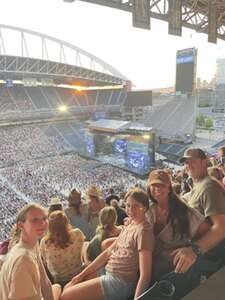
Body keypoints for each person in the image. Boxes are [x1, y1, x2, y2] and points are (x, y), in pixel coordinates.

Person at [61, 188, 154, 300]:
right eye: (128, 206)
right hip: (109, 272)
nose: (130, 210)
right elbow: (107, 253)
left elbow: (145, 276)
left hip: (119, 283)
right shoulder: (130, 224)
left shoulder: (144, 231)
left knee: (66, 296)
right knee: (68, 286)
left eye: (136, 206)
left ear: (144, 207)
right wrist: (80, 275)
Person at [159, 148, 225, 299]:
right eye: (185, 162)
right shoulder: (199, 185)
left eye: (192, 161)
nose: (188, 165)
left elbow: (221, 228)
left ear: (204, 162)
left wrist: (194, 250)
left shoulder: (209, 187)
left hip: (207, 258)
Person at [146, 169, 209, 282]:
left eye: (161, 185)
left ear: (169, 188)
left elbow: (206, 232)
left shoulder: (184, 211)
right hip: (150, 263)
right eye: (153, 185)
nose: (157, 189)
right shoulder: (148, 209)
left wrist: (192, 249)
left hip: (174, 270)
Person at [0, 203, 61, 300]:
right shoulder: (23, 260)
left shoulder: (33, 242)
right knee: (59, 288)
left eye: (44, 218)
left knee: (57, 287)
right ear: (21, 225)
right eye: (35, 220)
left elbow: (44, 282)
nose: (42, 223)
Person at [40, 210, 85, 287]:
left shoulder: (44, 242)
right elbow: (83, 247)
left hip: (60, 282)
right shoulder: (77, 233)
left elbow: (45, 261)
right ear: (66, 222)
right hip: (80, 275)